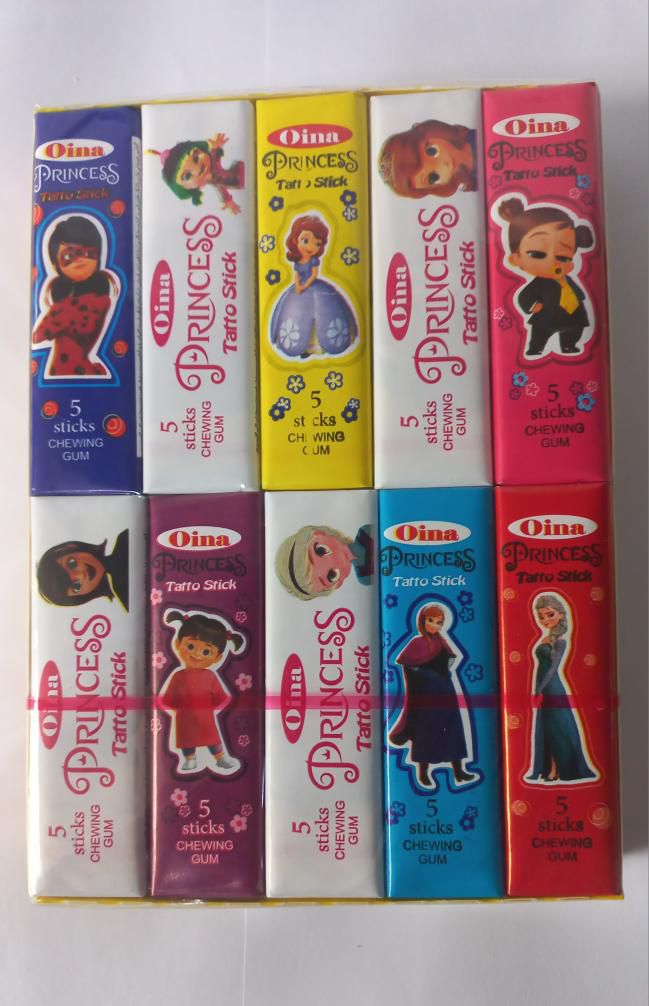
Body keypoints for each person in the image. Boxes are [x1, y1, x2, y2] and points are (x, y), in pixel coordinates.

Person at [389, 603, 476, 789]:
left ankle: (459, 771)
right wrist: (427, 675)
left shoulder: (441, 641)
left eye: (439, 622)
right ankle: (423, 773)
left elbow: (449, 660)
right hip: (426, 695)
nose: (435, 626)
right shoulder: (416, 643)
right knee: (426, 731)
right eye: (431, 620)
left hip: (446, 692)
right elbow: (409, 667)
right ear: (422, 621)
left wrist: (443, 670)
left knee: (453, 729)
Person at [496, 196, 594, 357]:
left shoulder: (567, 280)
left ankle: (569, 345)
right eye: (537, 254)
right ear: (516, 259)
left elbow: (577, 293)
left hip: (572, 315)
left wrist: (579, 299)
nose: (552, 262)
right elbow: (525, 296)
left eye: (563, 257)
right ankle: (536, 348)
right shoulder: (538, 284)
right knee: (540, 333)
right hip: (546, 317)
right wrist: (531, 306)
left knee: (574, 330)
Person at [159, 610, 247, 775]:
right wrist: (177, 708)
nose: (197, 654)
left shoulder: (210, 676)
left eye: (207, 652)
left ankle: (220, 758)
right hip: (184, 717)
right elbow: (169, 699)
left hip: (205, 716)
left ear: (217, 658)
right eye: (190, 646)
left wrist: (207, 710)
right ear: (177, 644)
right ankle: (190, 759)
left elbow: (221, 698)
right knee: (186, 739)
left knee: (212, 737)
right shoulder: (178, 676)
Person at [32, 215, 118, 377]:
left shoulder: (96, 303)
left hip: (76, 369)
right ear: (56, 264)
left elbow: (40, 334)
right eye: (69, 256)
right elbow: (37, 337)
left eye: (89, 253)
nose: (81, 260)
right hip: (65, 371)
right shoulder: (67, 304)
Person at [526, 593, 598, 783]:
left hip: (553, 688)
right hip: (543, 686)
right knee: (548, 730)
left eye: (549, 615)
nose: (545, 620)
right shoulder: (545, 639)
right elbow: (542, 669)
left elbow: (553, 669)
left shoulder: (561, 641)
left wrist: (540, 690)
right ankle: (551, 770)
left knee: (558, 729)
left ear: (560, 614)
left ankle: (559, 770)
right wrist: (538, 689)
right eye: (541, 616)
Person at [269, 214, 358, 358]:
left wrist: (306, 285)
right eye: (305, 240)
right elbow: (297, 274)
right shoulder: (299, 262)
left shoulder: (314, 261)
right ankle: (302, 347)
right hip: (299, 289)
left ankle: (321, 345)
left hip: (314, 287)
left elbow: (314, 274)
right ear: (295, 240)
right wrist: (298, 285)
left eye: (317, 244)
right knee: (293, 310)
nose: (311, 247)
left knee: (326, 311)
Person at [147, 132, 244, 213]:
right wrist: (228, 201)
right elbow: (221, 187)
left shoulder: (214, 163)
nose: (198, 169)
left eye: (196, 157)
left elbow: (216, 154)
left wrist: (216, 146)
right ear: (186, 189)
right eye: (187, 176)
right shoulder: (214, 180)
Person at [378, 119, 477, 198]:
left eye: (432, 151)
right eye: (433, 178)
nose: (442, 165)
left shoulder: (474, 137)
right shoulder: (473, 182)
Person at [275, 523, 373, 600]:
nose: (335, 561)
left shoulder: (366, 533)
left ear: (319, 533)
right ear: (337, 584)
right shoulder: (366, 576)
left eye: (321, 550)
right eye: (331, 575)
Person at [36, 530, 129, 610]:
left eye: (72, 563)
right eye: (76, 586)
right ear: (81, 597)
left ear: (71, 547)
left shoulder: (125, 539)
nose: (81, 574)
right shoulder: (126, 598)